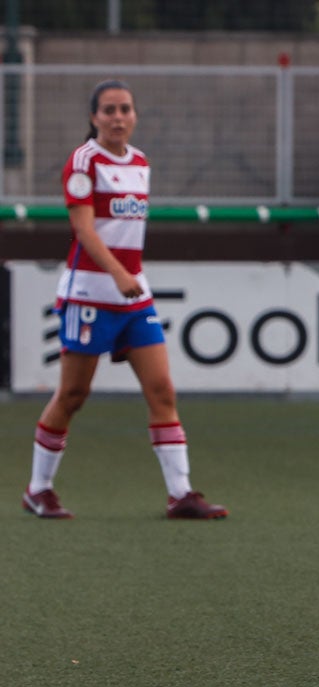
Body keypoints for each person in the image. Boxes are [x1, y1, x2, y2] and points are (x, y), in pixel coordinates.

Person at [23, 80, 227, 521]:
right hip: (90, 294)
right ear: (94, 117)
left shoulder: (139, 162)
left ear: (135, 116)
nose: (118, 117)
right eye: (109, 110)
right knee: (74, 394)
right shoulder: (83, 161)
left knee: (161, 389)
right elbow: (84, 231)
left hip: (133, 297)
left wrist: (128, 278)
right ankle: (38, 489)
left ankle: (181, 494)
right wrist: (117, 274)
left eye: (125, 109)